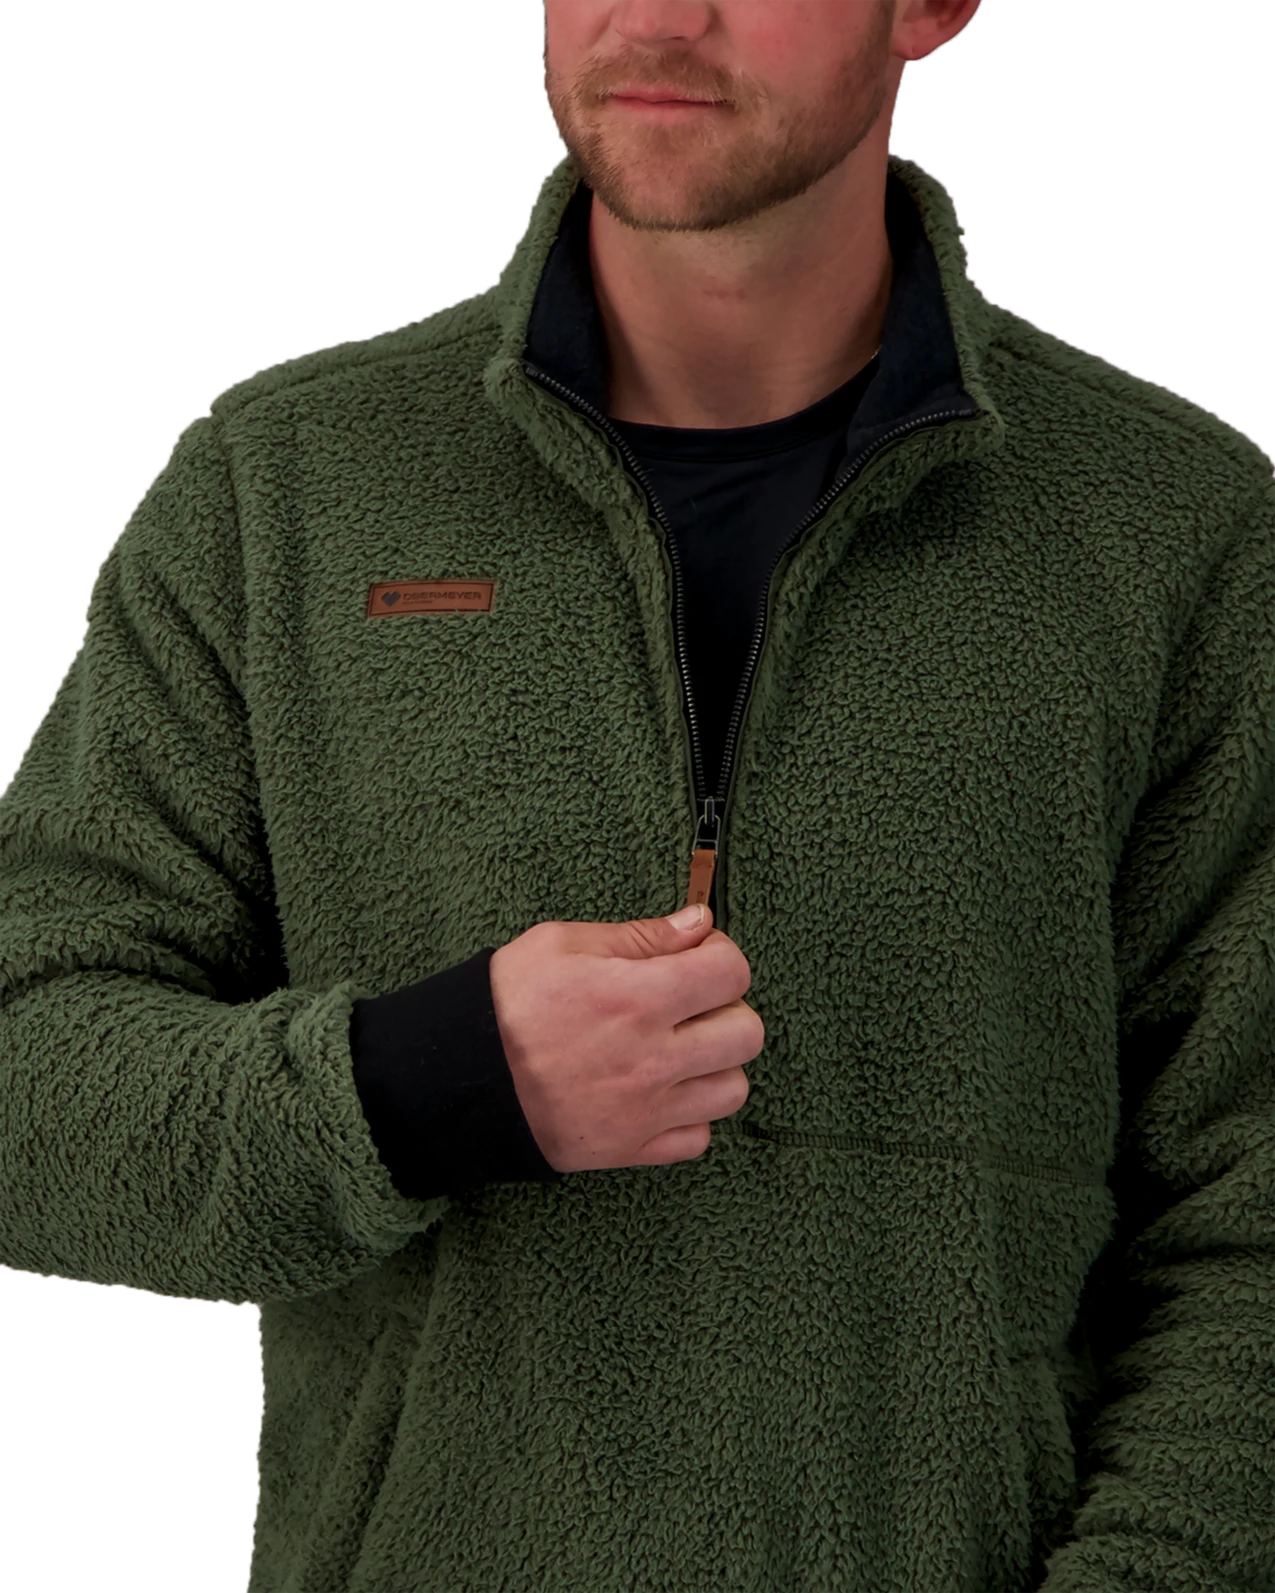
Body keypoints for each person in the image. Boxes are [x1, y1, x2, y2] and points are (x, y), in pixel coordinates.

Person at [1, 3, 1270, 1591]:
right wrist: (428, 1082)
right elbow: (25, 1081)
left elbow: (1250, 1210)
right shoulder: (290, 489)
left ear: (930, 4)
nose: (659, 14)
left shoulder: (1169, 533)